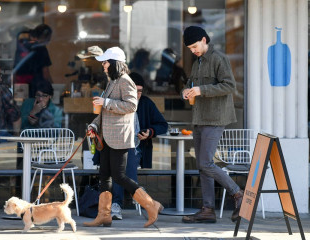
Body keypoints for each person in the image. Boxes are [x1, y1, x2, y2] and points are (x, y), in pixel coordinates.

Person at [83, 47, 163, 228]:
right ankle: (104, 215)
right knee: (104, 176)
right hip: (107, 137)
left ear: (114, 63)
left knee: (119, 176)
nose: (103, 65)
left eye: (105, 62)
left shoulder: (126, 81)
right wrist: (94, 125)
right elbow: (105, 111)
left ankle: (152, 205)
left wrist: (107, 102)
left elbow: (131, 105)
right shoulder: (112, 82)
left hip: (119, 137)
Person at [181, 26, 243, 224]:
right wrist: (186, 90)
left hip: (215, 118)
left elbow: (230, 86)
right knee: (203, 167)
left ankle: (237, 194)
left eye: (194, 46)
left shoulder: (219, 58)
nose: (193, 50)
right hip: (199, 118)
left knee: (206, 163)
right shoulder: (197, 62)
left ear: (204, 40)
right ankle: (208, 209)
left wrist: (201, 90)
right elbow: (191, 83)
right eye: (190, 48)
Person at [111, 72, 168, 220]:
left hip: (136, 147)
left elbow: (163, 125)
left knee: (120, 168)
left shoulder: (146, 103)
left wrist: (149, 132)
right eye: (134, 90)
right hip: (114, 146)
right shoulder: (117, 101)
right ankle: (149, 203)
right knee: (120, 167)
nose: (137, 94)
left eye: (140, 91)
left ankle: (116, 204)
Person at [13, 23, 53, 98]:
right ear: (44, 37)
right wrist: (51, 86)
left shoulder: (23, 45)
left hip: (21, 86)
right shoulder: (41, 48)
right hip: (36, 87)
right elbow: (45, 73)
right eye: (49, 38)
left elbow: (15, 69)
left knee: (22, 107)